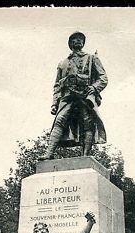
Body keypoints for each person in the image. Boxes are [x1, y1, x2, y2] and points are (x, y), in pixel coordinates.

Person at [39, 31, 108, 160]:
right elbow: (57, 86)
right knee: (59, 121)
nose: (78, 41)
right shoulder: (63, 63)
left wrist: (93, 88)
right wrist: (54, 103)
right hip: (67, 97)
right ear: (70, 43)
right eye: (75, 39)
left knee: (87, 123)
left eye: (80, 39)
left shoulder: (92, 58)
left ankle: (85, 155)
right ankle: (48, 153)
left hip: (85, 96)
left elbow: (103, 78)